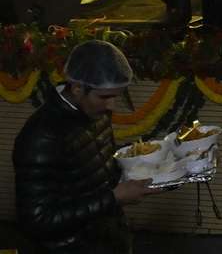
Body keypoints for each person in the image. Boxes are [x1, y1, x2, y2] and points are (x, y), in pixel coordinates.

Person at [14, 41, 152, 253]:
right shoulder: (41, 136)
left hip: (109, 240)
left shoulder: (95, 110)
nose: (112, 105)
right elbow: (37, 221)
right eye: (105, 97)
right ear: (77, 88)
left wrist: (144, 162)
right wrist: (114, 198)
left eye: (116, 96)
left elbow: (95, 161)